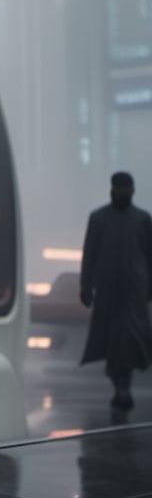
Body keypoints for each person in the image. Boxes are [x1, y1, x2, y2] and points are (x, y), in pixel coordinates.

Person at [79, 171, 152, 413]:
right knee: (112, 340)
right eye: (121, 189)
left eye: (127, 190)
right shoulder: (99, 219)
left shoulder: (142, 220)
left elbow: (150, 255)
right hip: (110, 289)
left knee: (131, 340)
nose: (124, 194)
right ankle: (120, 386)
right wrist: (86, 286)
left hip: (134, 290)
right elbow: (90, 254)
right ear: (113, 189)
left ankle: (123, 388)